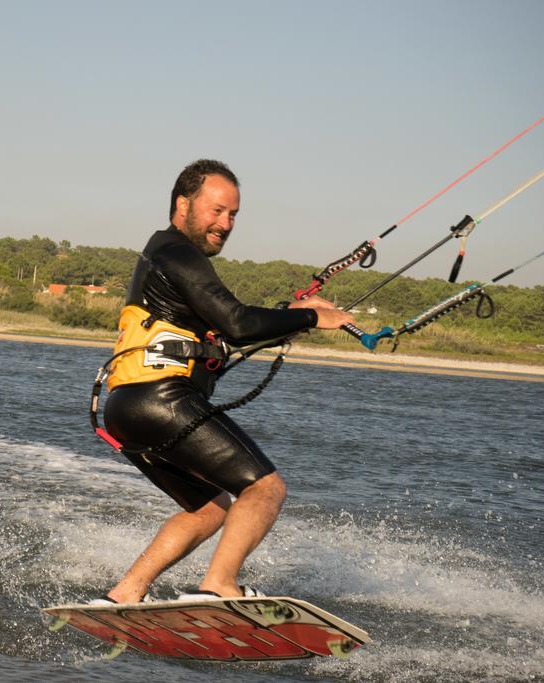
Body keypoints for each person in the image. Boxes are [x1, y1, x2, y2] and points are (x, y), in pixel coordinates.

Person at [99, 159, 354, 602]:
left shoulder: (165, 257)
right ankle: (218, 584)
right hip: (161, 399)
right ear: (183, 205)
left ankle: (127, 590)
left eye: (233, 215)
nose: (225, 223)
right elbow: (237, 322)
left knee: (208, 509)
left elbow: (228, 324)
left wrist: (290, 317)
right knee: (264, 488)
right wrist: (314, 317)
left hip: (126, 408)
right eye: (216, 211)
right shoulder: (177, 251)